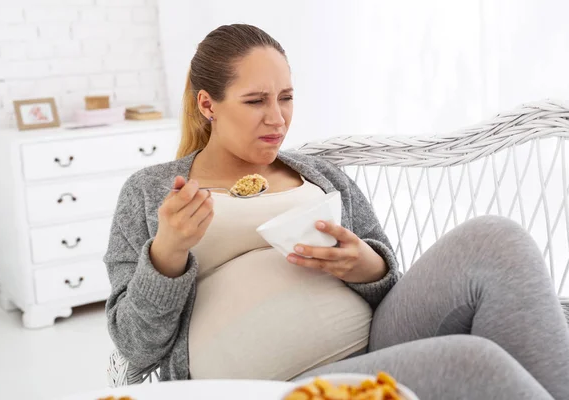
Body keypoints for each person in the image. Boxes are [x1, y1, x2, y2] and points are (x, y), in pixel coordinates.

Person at [103, 24, 569, 399]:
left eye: (286, 97)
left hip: (378, 342)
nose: (278, 118)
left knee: (496, 238)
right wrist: (166, 254)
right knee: (473, 360)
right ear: (208, 104)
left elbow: (387, 277)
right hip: (276, 385)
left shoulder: (319, 174)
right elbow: (135, 349)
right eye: (255, 101)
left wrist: (367, 265)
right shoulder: (152, 193)